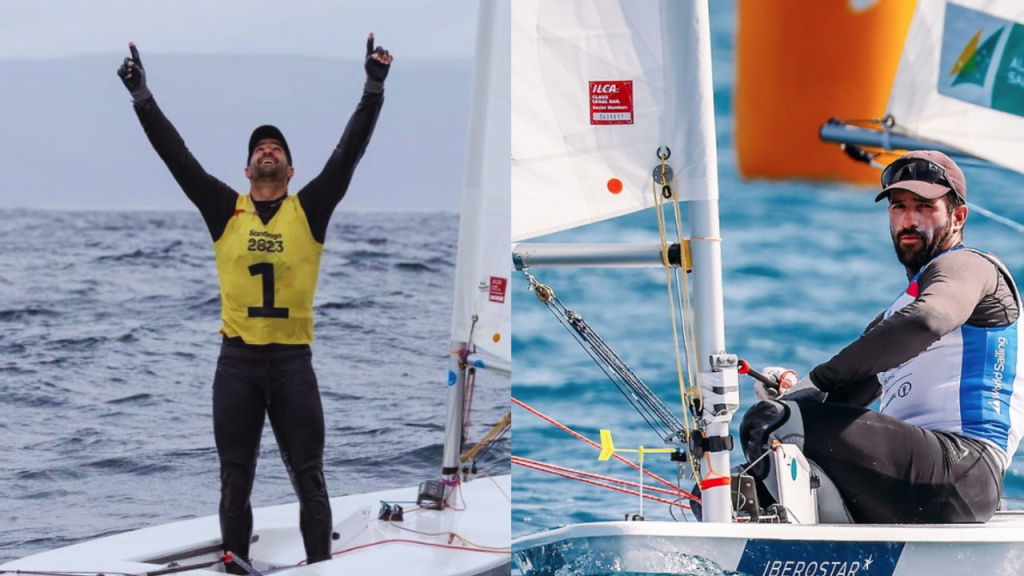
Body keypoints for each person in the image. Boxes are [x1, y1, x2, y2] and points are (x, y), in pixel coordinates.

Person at [116, 37, 392, 568]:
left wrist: (373, 88)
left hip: (292, 364)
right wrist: (142, 96)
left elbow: (348, 151)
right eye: (259, 149)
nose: (267, 151)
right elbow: (177, 157)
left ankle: (320, 567)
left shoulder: (310, 209)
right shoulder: (225, 208)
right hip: (237, 364)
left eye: (277, 149)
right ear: (247, 170)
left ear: (290, 170)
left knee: (309, 478)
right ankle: (234, 567)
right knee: (234, 479)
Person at [740, 150, 1024, 524]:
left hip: (963, 470)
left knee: (769, 425)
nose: (909, 220)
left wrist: (814, 383)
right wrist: (792, 391)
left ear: (958, 217)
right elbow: (843, 398)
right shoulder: (898, 314)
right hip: (919, 478)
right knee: (742, 475)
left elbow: (927, 321)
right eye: (898, 207)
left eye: (924, 207)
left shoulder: (970, 266)